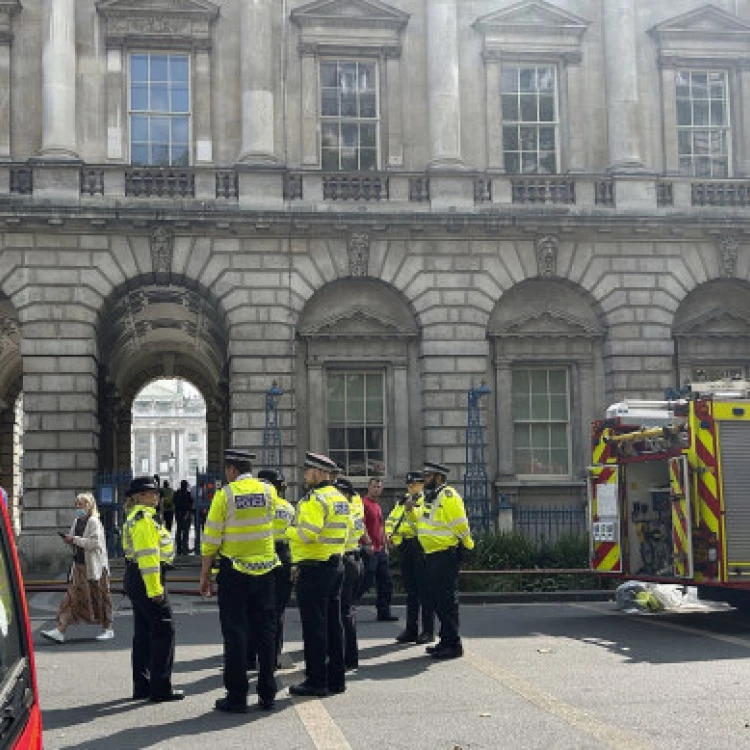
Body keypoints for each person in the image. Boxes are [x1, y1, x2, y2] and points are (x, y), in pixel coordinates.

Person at [200, 449, 279, 713]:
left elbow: (211, 539)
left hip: (235, 571)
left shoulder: (226, 495)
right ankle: (267, 694)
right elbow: (274, 524)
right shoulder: (269, 492)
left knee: (235, 632)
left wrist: (205, 576)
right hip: (266, 570)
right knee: (266, 632)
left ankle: (237, 696)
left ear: (232, 470)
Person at [287, 452, 352, 697]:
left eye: (307, 471)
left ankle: (316, 681)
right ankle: (337, 679)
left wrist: (289, 530)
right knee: (334, 626)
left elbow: (308, 534)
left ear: (317, 472)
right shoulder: (339, 498)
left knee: (314, 627)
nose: (305, 475)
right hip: (335, 564)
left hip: (314, 568)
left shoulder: (314, 499)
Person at [122, 476, 183, 702]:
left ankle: (143, 685)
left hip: (137, 578)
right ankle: (160, 687)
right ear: (140, 496)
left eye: (157, 493)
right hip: (148, 578)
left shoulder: (137, 517)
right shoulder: (144, 519)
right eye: (152, 493)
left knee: (144, 633)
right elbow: (149, 557)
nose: (156, 496)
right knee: (164, 630)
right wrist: (155, 590)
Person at [405, 461, 474, 660]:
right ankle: (445, 640)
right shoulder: (431, 497)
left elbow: (460, 522)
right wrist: (411, 510)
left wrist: (468, 544)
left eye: (428, 476)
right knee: (437, 600)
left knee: (446, 601)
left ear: (439, 477)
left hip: (446, 553)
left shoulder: (449, 496)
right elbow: (421, 522)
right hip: (433, 554)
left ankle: (453, 644)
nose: (424, 480)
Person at [41, 493, 113, 644]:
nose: (78, 507)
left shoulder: (94, 521)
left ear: (89, 506)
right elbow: (76, 540)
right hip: (79, 566)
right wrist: (69, 540)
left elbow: (95, 544)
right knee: (71, 599)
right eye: (77, 504)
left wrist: (74, 540)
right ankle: (60, 630)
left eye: (81, 504)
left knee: (99, 598)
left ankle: (108, 629)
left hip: (94, 568)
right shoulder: (77, 521)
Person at [246, 468, 294, 671]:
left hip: (257, 556)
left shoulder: (253, 506)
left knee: (253, 609)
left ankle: (249, 658)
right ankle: (272, 658)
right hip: (283, 558)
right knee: (277, 611)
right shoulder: (289, 508)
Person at [385, 471, 435, 645]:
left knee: (425, 590)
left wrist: (411, 510)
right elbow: (392, 519)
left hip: (420, 546)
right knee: (411, 591)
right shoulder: (404, 500)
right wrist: (389, 534)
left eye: (413, 484)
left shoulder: (426, 500)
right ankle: (411, 629)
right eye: (409, 485)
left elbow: (420, 521)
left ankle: (428, 631)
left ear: (422, 484)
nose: (410, 488)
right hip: (406, 546)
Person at [334, 477, 365, 671]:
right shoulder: (355, 509)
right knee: (347, 611)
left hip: (346, 559)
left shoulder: (345, 511)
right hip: (354, 559)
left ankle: (347, 658)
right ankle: (350, 657)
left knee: (343, 612)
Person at [358, 477, 397, 621]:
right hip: (369, 549)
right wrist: (367, 543)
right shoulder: (363, 503)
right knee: (366, 580)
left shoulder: (377, 506)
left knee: (386, 582)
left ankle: (383, 612)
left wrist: (386, 543)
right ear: (368, 487)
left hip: (380, 550)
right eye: (374, 486)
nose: (377, 489)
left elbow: (381, 526)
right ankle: (346, 606)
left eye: (379, 487)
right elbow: (360, 525)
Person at [173, 480, 193, 555]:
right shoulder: (188, 494)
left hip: (178, 514)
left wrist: (176, 514)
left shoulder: (177, 493)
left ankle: (178, 549)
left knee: (178, 531)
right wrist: (188, 514)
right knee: (185, 532)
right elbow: (190, 505)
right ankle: (185, 548)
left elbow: (174, 503)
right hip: (185, 514)